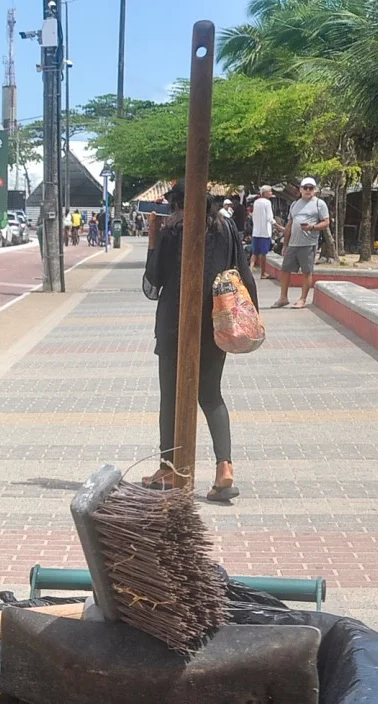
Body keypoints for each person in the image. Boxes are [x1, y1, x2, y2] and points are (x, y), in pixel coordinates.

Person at [141, 183, 257, 503]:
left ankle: (168, 469)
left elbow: (153, 282)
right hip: (214, 321)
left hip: (174, 323)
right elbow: (242, 272)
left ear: (177, 203)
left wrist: (154, 239)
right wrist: (252, 314)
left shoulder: (173, 229)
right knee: (211, 394)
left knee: (172, 398)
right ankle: (224, 468)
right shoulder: (226, 227)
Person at [274, 176, 329, 309]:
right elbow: (289, 224)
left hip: (308, 243)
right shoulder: (295, 204)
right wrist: (285, 244)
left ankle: (302, 299)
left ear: (315, 190)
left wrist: (312, 227)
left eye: (311, 188)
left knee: (306, 272)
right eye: (305, 188)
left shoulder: (319, 204)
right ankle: (283, 297)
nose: (308, 190)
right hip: (293, 243)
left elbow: (326, 222)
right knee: (285, 270)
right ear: (300, 189)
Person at [250, 185, 276, 280]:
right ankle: (263, 273)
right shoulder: (267, 203)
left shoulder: (256, 202)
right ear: (265, 193)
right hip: (265, 232)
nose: (271, 193)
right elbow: (270, 218)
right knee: (263, 253)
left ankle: (250, 270)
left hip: (256, 231)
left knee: (255, 253)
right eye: (270, 191)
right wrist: (279, 226)